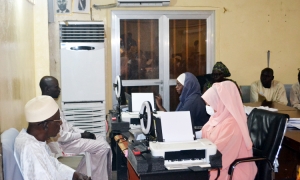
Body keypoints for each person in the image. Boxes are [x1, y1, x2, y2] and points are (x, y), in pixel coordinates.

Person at [39, 76, 112, 180]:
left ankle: (82, 174)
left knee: (100, 139)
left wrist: (83, 132)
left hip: (69, 140)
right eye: (56, 87)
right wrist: (81, 135)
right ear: (47, 89)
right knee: (102, 147)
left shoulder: (52, 104)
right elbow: (60, 136)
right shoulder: (48, 108)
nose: (59, 89)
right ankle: (92, 177)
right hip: (64, 144)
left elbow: (68, 127)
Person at [14, 95, 90, 180]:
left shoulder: (36, 141)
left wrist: (74, 175)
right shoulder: (31, 149)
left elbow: (53, 164)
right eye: (58, 120)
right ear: (46, 125)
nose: (61, 124)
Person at [201, 81, 257, 180]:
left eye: (210, 104)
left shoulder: (232, 125)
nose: (208, 107)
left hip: (232, 172)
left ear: (221, 103)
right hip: (220, 166)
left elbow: (220, 156)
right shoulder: (217, 118)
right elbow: (205, 133)